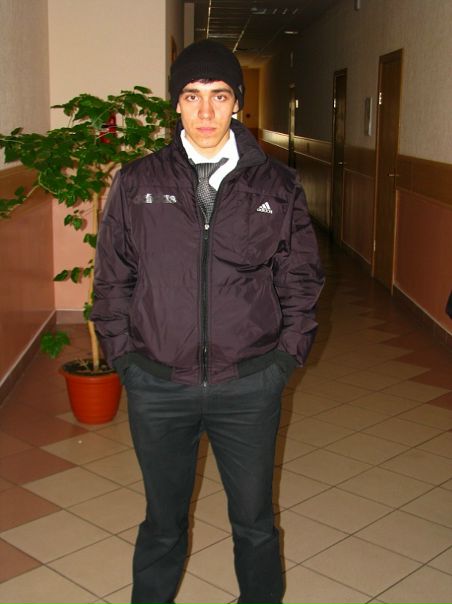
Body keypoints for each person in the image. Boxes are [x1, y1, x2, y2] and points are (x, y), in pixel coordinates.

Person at [91, 39, 324, 604]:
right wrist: (125, 359)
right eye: (192, 96)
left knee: (255, 523)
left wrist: (281, 361)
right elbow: (113, 278)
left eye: (219, 96)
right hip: (158, 383)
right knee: (162, 523)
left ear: (236, 102)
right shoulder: (136, 182)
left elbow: (301, 279)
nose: (205, 111)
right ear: (175, 103)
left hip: (247, 384)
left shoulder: (278, 186)